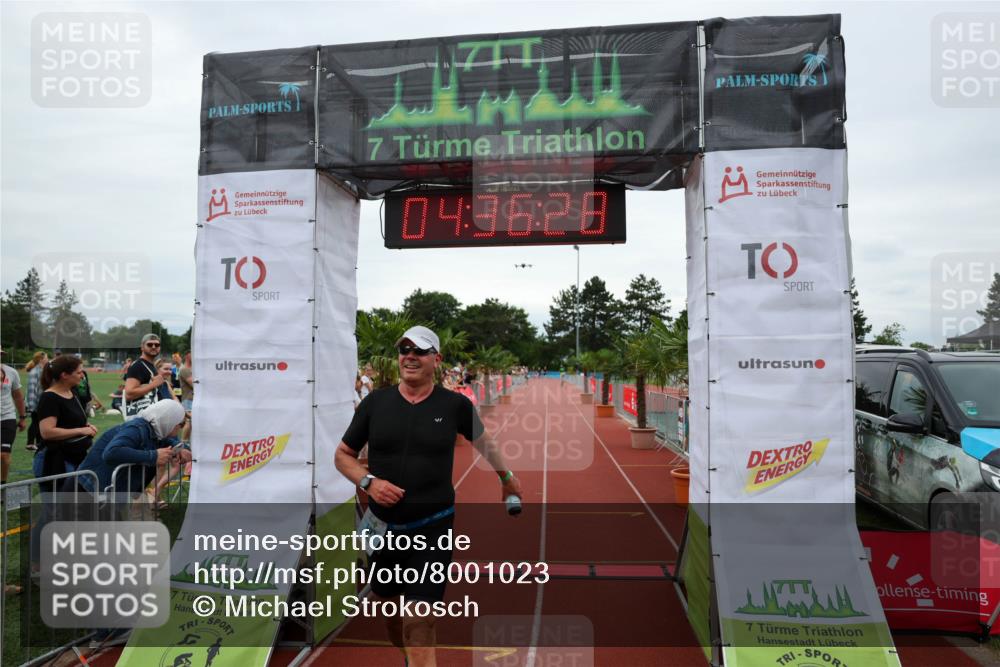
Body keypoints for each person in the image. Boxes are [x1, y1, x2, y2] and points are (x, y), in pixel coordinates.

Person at [334, 326, 522, 667]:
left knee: (419, 620)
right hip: (381, 529)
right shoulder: (376, 403)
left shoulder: (454, 405)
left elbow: (484, 442)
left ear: (436, 359)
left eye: (419, 351)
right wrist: (369, 482)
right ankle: (411, 657)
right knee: (393, 619)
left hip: (431, 529)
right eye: (404, 349)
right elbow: (343, 456)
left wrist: (506, 477)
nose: (409, 356)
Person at [70, 400, 190, 496]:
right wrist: (153, 456)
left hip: (106, 492)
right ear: (168, 421)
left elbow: (169, 440)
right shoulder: (136, 429)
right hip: (87, 489)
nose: (181, 429)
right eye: (181, 424)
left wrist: (181, 448)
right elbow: (111, 452)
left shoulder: (156, 430)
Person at [36, 354, 97, 481]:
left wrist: (86, 427)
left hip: (75, 456)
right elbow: (47, 432)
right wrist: (81, 431)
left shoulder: (72, 392)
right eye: (79, 372)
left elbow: (70, 422)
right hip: (56, 461)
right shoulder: (49, 397)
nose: (82, 376)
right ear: (65, 375)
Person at [123, 334, 167, 419]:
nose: (154, 347)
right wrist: (154, 384)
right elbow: (129, 394)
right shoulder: (138, 365)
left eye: (157, 345)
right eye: (150, 344)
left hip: (151, 417)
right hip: (142, 420)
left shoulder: (150, 365)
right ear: (142, 347)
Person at [1, 348, 28, 484]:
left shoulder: (11, 372)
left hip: (7, 417)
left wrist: (22, 417)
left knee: (4, 455)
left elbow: (17, 396)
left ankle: (2, 485)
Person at [24, 351, 48, 451]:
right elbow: (31, 390)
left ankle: (39, 443)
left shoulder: (42, 370)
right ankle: (30, 444)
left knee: (39, 423)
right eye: (46, 357)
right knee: (35, 423)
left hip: (41, 402)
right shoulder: (35, 372)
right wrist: (31, 406)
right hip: (35, 403)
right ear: (41, 359)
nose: (48, 359)